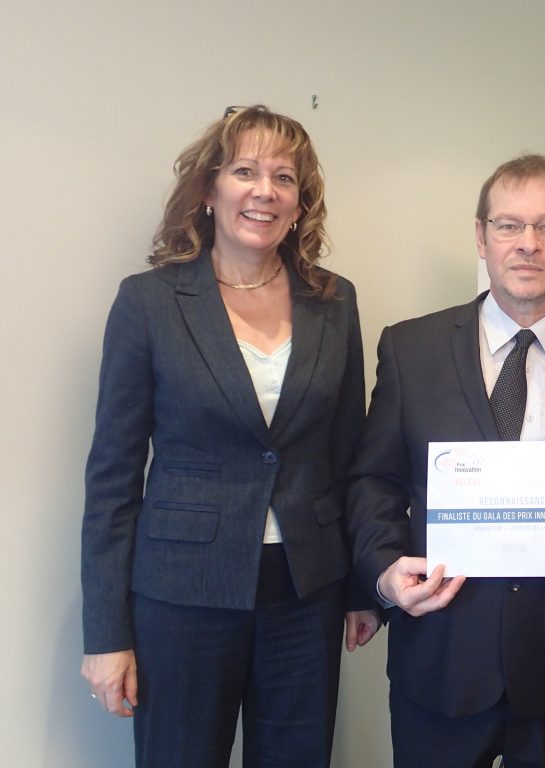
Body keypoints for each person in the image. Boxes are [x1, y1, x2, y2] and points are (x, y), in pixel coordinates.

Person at [80, 105, 380, 768]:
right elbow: (112, 479)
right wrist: (105, 633)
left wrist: (363, 585)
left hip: (308, 593)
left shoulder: (335, 301)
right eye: (245, 171)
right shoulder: (149, 303)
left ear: (301, 204)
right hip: (183, 596)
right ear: (210, 190)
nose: (264, 191)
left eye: (284, 177)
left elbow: (348, 453)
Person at [346, 154, 545, 768]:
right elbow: (374, 481)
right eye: (508, 226)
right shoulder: (411, 349)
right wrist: (383, 572)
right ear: (480, 236)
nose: (527, 244)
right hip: (440, 657)